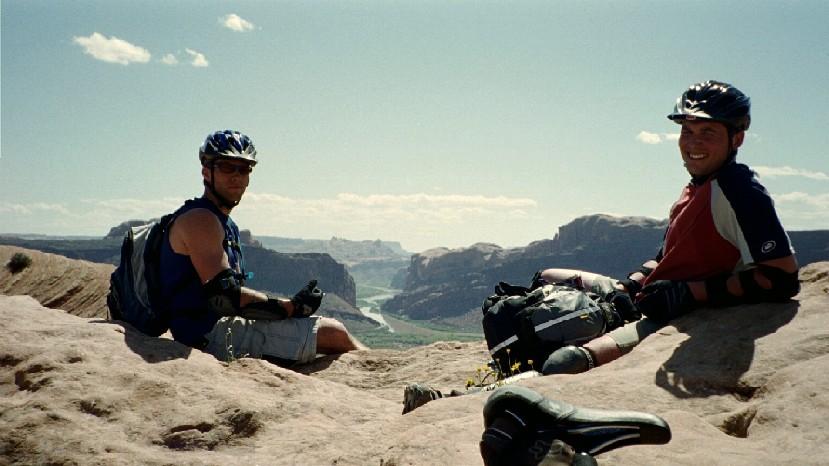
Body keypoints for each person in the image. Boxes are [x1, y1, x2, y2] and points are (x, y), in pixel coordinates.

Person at [540, 80, 799, 375]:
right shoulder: (698, 185)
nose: (693, 143)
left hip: (680, 315)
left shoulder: (740, 192)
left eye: (707, 133)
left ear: (736, 139)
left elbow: (781, 278)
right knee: (547, 277)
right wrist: (631, 284)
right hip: (652, 298)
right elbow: (666, 256)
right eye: (687, 132)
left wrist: (687, 294)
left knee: (565, 363)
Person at [159, 129, 366, 365]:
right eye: (227, 167)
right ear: (206, 172)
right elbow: (224, 297)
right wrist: (290, 307)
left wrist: (288, 309)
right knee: (333, 333)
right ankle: (389, 382)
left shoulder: (224, 222)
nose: (237, 176)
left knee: (329, 330)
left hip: (218, 325)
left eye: (244, 168)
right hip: (207, 335)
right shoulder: (200, 219)